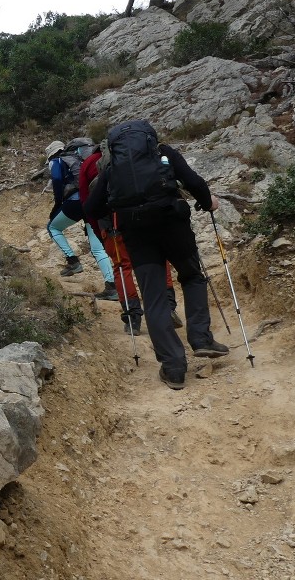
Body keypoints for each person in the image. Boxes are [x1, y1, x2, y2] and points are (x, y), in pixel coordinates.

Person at [84, 120, 229, 391]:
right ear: (149, 139)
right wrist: (209, 202)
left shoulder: (112, 167)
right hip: (173, 225)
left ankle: (173, 368)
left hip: (137, 235)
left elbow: (91, 207)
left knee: (154, 298)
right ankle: (201, 340)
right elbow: (194, 181)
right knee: (193, 277)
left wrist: (117, 210)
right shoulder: (164, 152)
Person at [78, 142, 183, 335]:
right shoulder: (142, 158)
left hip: (112, 226)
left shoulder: (91, 163)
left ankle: (132, 317)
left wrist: (100, 232)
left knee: (122, 266)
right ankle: (168, 306)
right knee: (160, 259)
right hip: (146, 221)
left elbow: (88, 205)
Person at [45, 140, 117, 299]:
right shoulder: (79, 159)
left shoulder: (57, 161)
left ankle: (73, 261)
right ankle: (112, 286)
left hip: (74, 202)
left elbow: (57, 178)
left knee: (52, 227)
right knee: (97, 248)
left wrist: (58, 203)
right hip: (90, 202)